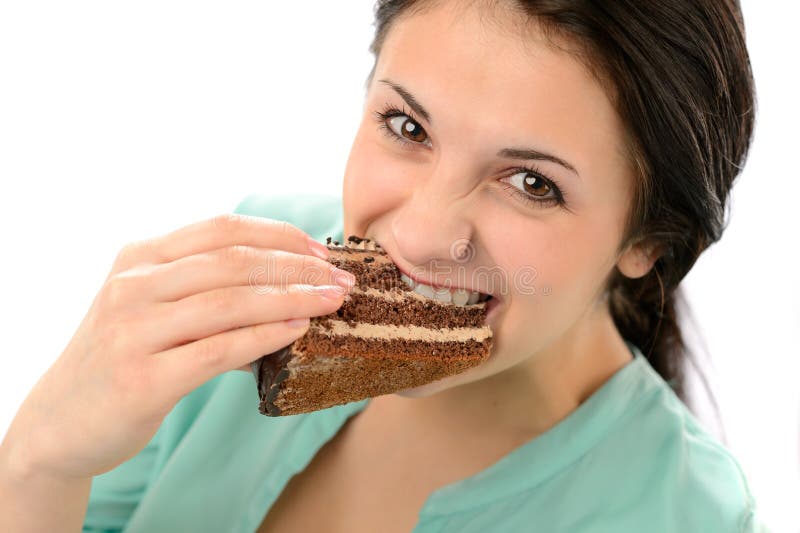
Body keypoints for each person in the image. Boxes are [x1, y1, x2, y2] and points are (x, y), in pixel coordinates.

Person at [1, 0, 768, 531]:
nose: (425, 231)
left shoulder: (687, 515)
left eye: (532, 183)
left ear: (647, 240)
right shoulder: (264, 268)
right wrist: (41, 458)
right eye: (407, 125)